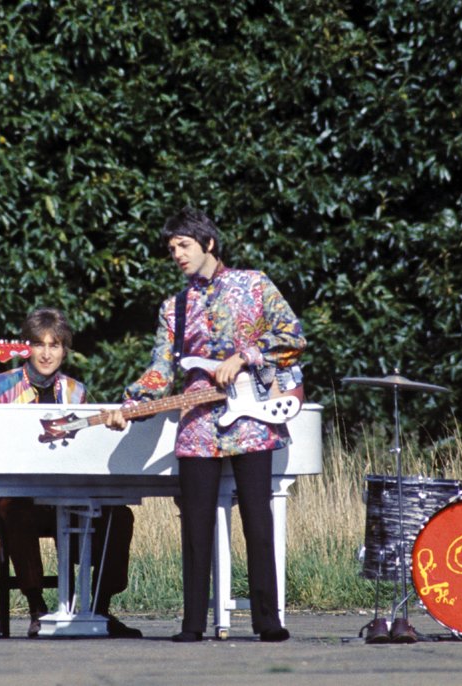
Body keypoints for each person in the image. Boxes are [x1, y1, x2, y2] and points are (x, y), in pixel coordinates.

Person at [105, 207, 306, 642]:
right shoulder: (173, 307)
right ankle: (192, 623)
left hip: (252, 420)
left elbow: (294, 337)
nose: (176, 254)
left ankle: (267, 620)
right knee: (194, 525)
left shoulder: (254, 284)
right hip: (197, 424)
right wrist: (131, 403)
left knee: (258, 519)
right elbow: (160, 370)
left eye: (184, 245)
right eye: (171, 247)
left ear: (208, 244)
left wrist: (245, 356)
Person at [0, 307, 140, 638]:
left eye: (55, 345)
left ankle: (100, 609)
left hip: (70, 496)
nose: (47, 353)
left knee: (119, 516)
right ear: (26, 347)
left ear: (64, 349)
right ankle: (37, 609)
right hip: (21, 497)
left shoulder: (77, 391)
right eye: (39, 344)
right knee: (13, 509)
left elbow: (89, 446)